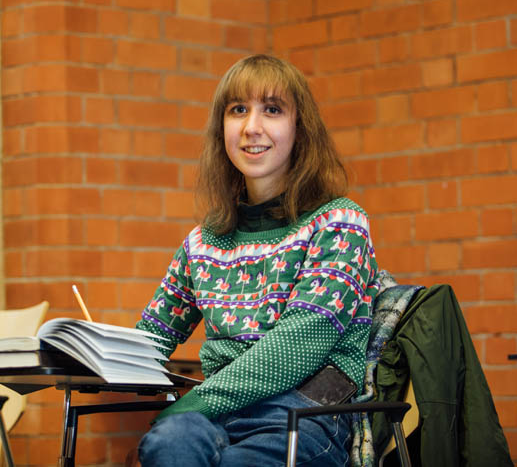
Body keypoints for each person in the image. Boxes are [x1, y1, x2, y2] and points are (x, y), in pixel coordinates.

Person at [134, 54, 381, 467]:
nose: (252, 127)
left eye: (272, 109)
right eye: (238, 110)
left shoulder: (340, 223)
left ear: (300, 129)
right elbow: (152, 338)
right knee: (168, 443)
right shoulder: (203, 242)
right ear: (222, 129)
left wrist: (184, 405)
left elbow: (296, 346)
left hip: (306, 415)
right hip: (215, 417)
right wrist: (82, 354)